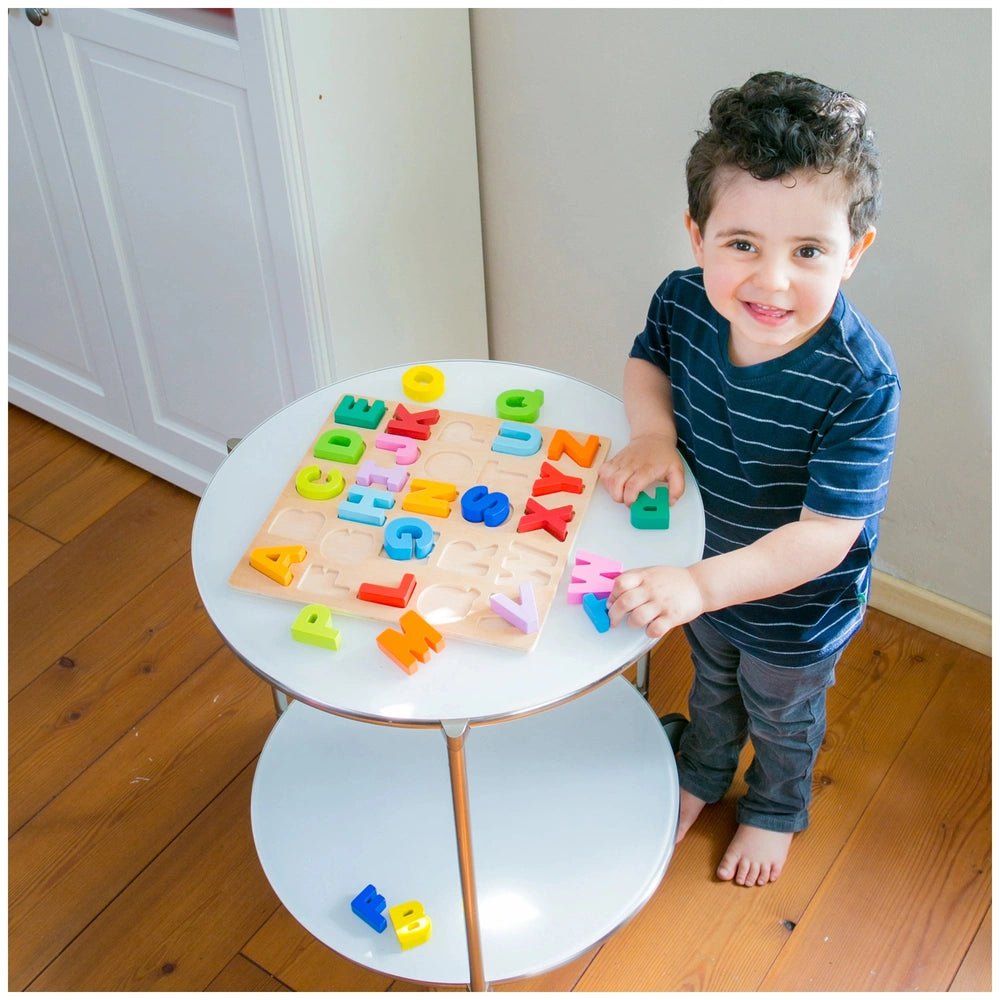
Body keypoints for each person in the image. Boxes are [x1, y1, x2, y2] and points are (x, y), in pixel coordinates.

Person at [598, 71, 900, 887]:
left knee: (783, 712)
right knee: (709, 681)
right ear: (696, 237)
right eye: (743, 245)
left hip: (795, 609)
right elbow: (645, 362)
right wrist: (654, 434)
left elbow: (825, 536)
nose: (771, 281)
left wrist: (699, 584)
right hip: (701, 563)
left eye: (808, 251)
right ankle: (701, 770)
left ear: (854, 253)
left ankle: (774, 804)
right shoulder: (685, 301)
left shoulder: (860, 381)